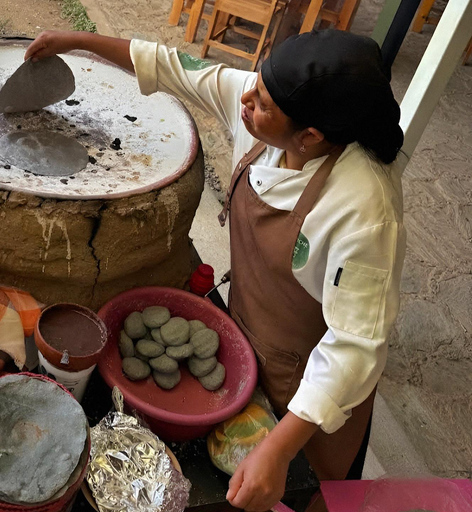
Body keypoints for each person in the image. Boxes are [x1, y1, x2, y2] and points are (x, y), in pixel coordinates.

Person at [25, 29, 406, 511]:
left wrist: (278, 448)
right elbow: (172, 66)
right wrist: (75, 40)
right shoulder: (267, 107)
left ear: (310, 137)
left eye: (263, 103)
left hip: (308, 392)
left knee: (305, 496)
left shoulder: (365, 210)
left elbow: (354, 348)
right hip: (242, 334)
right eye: (255, 86)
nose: (246, 98)